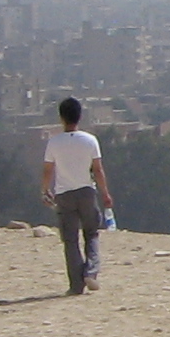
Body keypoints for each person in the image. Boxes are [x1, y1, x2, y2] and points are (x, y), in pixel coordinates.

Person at [41, 97, 115, 295]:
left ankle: (76, 284)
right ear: (79, 116)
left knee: (70, 239)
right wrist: (105, 193)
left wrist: (45, 189)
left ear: (61, 118)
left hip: (64, 194)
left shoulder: (54, 142)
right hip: (86, 191)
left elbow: (48, 170)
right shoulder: (90, 140)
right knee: (91, 233)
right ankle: (91, 271)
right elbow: (98, 170)